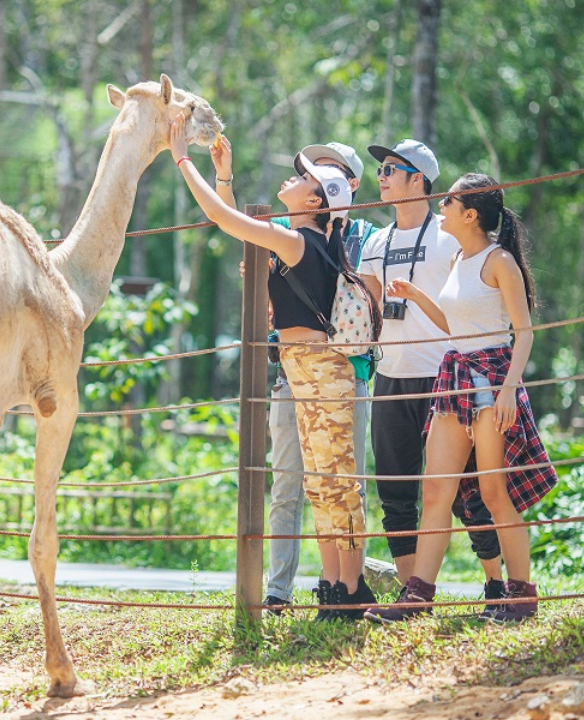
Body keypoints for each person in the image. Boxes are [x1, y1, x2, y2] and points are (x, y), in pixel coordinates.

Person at [170, 114, 376, 620]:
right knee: (322, 483)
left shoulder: (299, 242)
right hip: (306, 368)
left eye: (303, 177)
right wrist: (224, 175)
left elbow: (222, 218)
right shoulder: (299, 240)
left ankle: (350, 589)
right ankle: (334, 587)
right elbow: (238, 227)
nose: (293, 176)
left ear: (314, 202)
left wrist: (180, 158)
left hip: (320, 370)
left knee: (336, 481)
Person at [366, 173, 557, 623]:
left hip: (492, 379)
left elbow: (523, 331)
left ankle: (521, 595)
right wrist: (415, 296)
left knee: (493, 491)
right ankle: (418, 596)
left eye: (448, 200)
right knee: (435, 489)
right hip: (455, 375)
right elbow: (453, 326)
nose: (441, 205)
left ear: (470, 214)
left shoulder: (499, 261)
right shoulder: (456, 258)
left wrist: (510, 387)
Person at [356, 140, 505, 605]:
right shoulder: (375, 242)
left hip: (446, 377)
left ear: (417, 178)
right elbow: (367, 310)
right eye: (379, 169)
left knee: (470, 493)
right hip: (391, 377)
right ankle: (412, 594)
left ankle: (497, 584)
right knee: (396, 492)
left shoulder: (450, 235)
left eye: (389, 169)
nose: (380, 176)